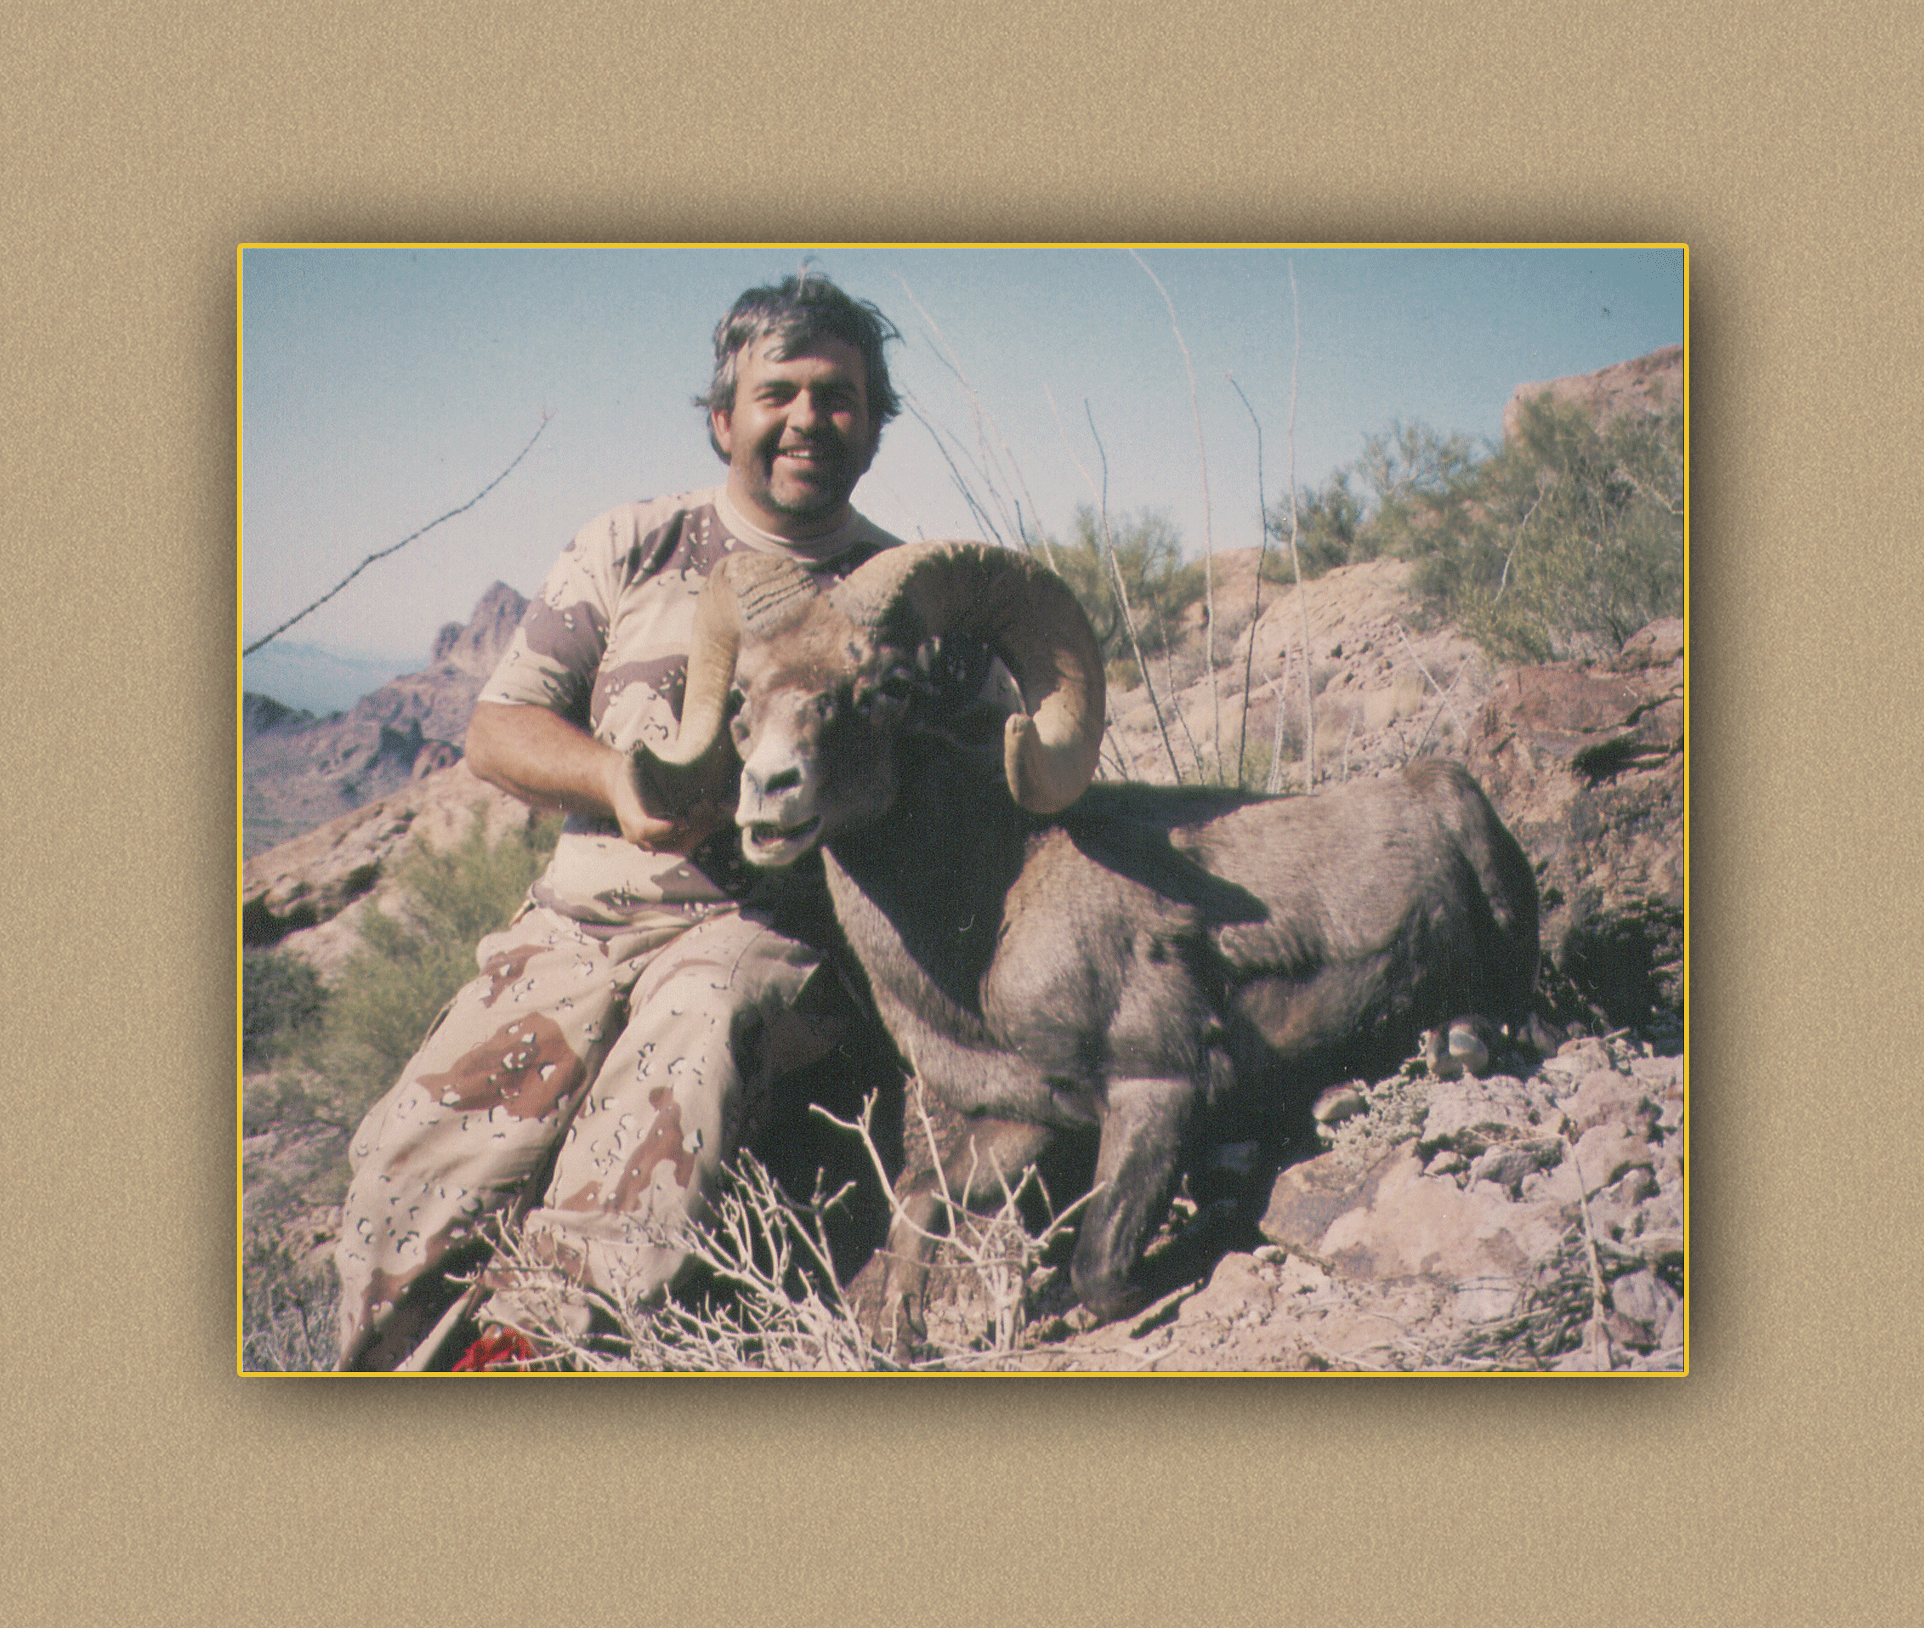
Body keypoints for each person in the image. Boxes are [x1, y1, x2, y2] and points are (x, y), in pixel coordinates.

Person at [334, 272, 909, 1370]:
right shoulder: (633, 545)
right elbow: (499, 730)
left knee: (641, 1155)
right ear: (721, 417)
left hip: (761, 935)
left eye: (837, 395)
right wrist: (615, 779)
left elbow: (979, 788)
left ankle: (538, 1370)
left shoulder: (895, 590)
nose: (805, 419)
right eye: (776, 390)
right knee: (400, 1191)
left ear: (876, 420)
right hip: (576, 928)